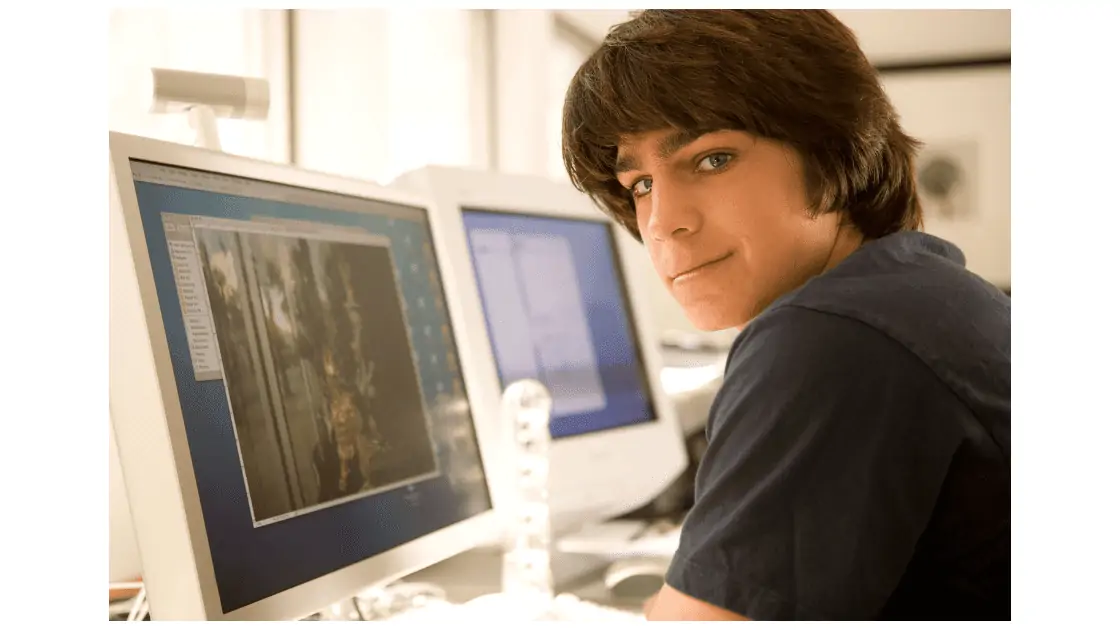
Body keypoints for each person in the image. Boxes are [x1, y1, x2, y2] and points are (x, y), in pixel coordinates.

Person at [560, 9, 1010, 621]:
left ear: (829, 152)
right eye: (639, 184)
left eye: (711, 159)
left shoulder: (831, 334)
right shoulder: (918, 285)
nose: (662, 222)